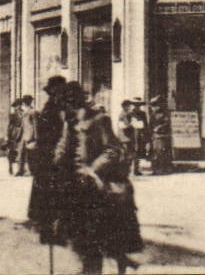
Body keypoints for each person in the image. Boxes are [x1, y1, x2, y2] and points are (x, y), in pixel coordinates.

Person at [63, 83, 142, 274]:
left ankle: (95, 268)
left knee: (94, 231)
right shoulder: (70, 123)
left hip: (96, 183)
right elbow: (64, 150)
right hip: (76, 183)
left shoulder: (100, 120)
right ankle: (100, 263)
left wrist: (92, 169)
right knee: (76, 230)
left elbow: (112, 150)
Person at [27, 75, 71, 245]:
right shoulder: (50, 109)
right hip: (48, 157)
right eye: (58, 91)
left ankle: (58, 230)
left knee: (57, 194)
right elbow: (45, 135)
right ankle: (47, 231)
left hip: (56, 155)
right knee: (48, 194)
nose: (61, 94)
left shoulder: (61, 108)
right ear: (53, 92)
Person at [117, 99, 146, 177]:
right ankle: (126, 171)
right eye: (127, 105)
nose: (129, 107)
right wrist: (132, 124)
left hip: (130, 137)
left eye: (129, 105)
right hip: (125, 138)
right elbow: (123, 126)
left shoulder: (129, 114)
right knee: (127, 155)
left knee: (133, 154)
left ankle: (133, 170)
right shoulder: (123, 114)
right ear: (124, 106)